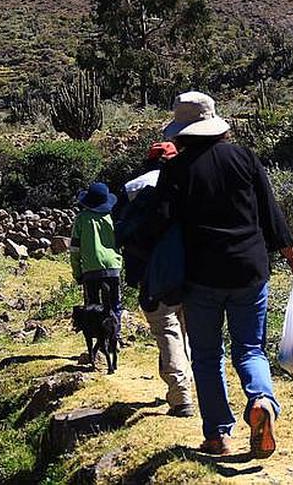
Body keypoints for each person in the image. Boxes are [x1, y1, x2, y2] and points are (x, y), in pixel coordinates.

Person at [158, 91, 293, 459]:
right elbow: (270, 211)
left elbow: (161, 224)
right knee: (250, 348)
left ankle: (218, 436)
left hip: (201, 276)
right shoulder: (245, 157)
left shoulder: (177, 170)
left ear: (182, 132)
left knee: (207, 355)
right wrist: (292, 254)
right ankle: (261, 401)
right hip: (249, 269)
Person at [115, 142, 195, 418]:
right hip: (192, 269)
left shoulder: (132, 188)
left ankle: (181, 395)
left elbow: (119, 232)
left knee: (167, 329)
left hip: (152, 272)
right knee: (186, 329)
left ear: (148, 161)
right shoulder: (190, 181)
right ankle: (186, 385)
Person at [70, 182, 123, 322]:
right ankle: (115, 331)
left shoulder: (81, 219)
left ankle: (97, 332)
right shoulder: (112, 218)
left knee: (93, 306)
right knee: (115, 305)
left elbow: (75, 249)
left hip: (90, 267)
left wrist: (77, 273)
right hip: (113, 266)